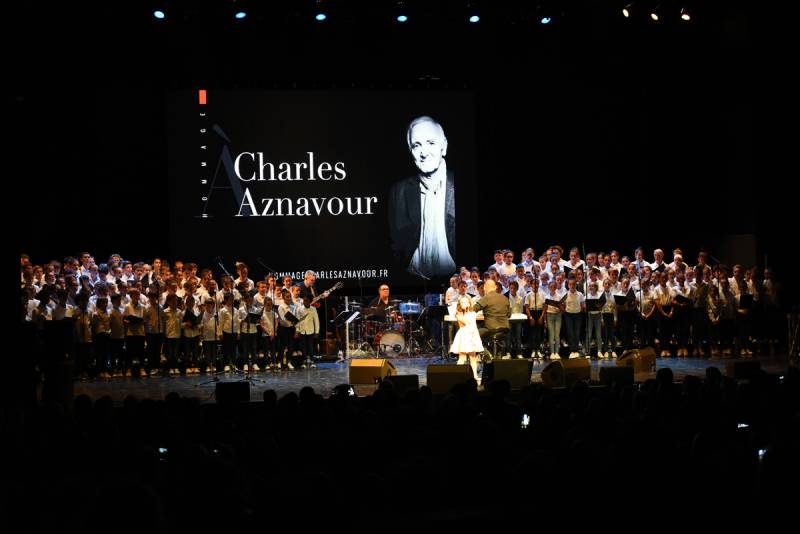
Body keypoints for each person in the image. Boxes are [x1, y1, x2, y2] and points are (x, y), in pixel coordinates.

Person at [388, 115, 456, 278]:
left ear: (444, 146)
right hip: (413, 277)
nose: (424, 152)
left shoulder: (458, 185)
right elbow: (394, 243)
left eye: (431, 143)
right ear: (410, 151)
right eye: (416, 145)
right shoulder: (399, 191)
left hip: (455, 278)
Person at [449, 296, 484, 383]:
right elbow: (465, 322)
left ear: (469, 303)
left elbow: (473, 323)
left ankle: (475, 375)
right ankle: (458, 375)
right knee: (462, 357)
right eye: (462, 302)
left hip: (472, 335)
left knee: (473, 357)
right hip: (464, 336)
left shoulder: (472, 313)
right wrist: (464, 311)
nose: (465, 304)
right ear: (460, 304)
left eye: (466, 302)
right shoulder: (458, 313)